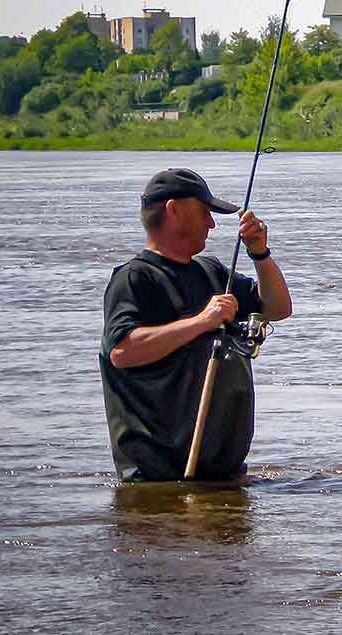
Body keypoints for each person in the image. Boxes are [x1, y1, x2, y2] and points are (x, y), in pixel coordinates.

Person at [99, 168, 292, 481]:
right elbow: (123, 351)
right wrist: (203, 321)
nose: (212, 224)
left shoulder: (210, 271)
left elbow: (279, 308)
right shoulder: (134, 279)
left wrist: (260, 253)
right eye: (205, 212)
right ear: (173, 209)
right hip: (157, 481)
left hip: (223, 475)